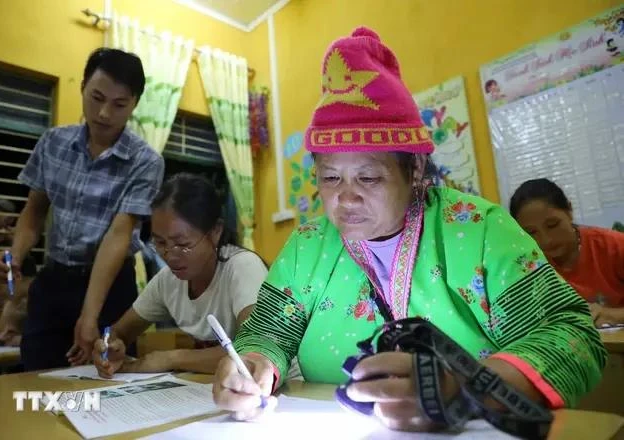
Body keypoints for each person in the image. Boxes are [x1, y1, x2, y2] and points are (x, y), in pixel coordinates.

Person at [212, 27, 606, 432]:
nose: (345, 200)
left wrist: (462, 386)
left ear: (415, 169)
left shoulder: (478, 230)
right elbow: (267, 334)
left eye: (367, 178)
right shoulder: (308, 245)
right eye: (330, 179)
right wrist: (252, 366)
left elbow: (573, 336)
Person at [0, 48, 165, 371]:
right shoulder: (53, 142)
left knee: (106, 379)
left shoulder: (146, 162)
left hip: (111, 288)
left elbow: (119, 234)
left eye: (119, 105)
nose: (103, 113)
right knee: (36, 374)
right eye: (96, 97)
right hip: (54, 280)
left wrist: (90, 316)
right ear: (82, 86)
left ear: (134, 105)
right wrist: (14, 255)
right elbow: (34, 212)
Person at [92, 174, 267, 376]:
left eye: (183, 245)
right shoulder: (168, 280)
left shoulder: (243, 267)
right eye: (160, 242)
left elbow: (255, 350)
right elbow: (119, 332)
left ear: (215, 232)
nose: (170, 255)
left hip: (282, 391)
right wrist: (108, 346)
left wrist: (171, 358)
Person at [510, 178, 624, 327]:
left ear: (569, 211)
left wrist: (610, 315)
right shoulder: (529, 266)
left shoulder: (614, 246)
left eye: (553, 225)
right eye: (531, 232)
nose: (546, 240)